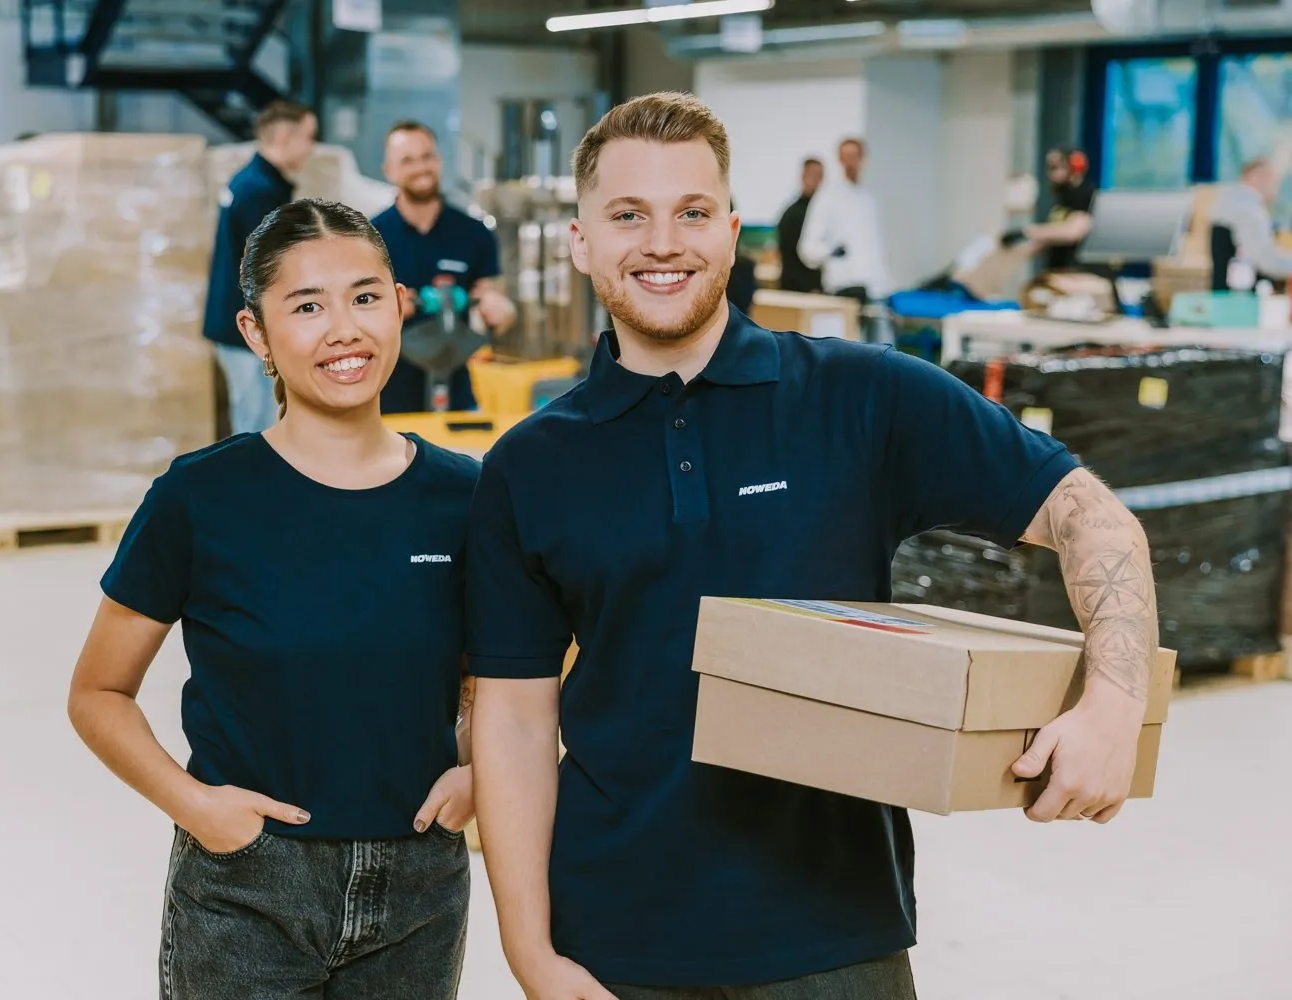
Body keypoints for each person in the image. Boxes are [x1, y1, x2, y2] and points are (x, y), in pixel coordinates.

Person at [466, 92, 1158, 1000]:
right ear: (581, 240)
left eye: (693, 212)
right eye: (628, 214)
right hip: (616, 939)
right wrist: (534, 958)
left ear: (733, 230)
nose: (663, 243)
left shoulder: (862, 398)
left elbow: (1090, 515)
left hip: (837, 935)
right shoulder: (529, 464)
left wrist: (1114, 701)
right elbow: (515, 719)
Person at [69, 199, 477, 999]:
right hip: (248, 886)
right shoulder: (201, 497)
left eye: (364, 297)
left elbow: (516, 668)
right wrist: (197, 807)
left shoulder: (465, 495)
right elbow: (97, 693)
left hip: (421, 884)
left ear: (401, 305)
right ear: (255, 332)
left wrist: (480, 770)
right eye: (306, 306)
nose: (344, 330)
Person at [372, 120, 516, 414]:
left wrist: (500, 311)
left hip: (458, 393)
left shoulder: (473, 233)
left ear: (439, 161)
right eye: (407, 160)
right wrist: (391, 307)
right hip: (385, 396)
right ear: (389, 170)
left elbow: (496, 309)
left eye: (427, 157)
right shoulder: (368, 237)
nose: (420, 167)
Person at [203, 100, 318, 435]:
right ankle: (249, 487)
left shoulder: (251, 181)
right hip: (246, 331)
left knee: (256, 418)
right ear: (284, 137)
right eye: (308, 137)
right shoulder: (260, 193)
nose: (310, 148)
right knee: (257, 424)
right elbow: (271, 270)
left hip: (235, 325)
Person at [797, 137, 890, 305]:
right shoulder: (827, 197)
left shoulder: (868, 199)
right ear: (839, 159)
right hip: (844, 290)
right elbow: (807, 249)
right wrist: (832, 252)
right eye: (845, 156)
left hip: (875, 290)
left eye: (854, 156)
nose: (850, 162)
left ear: (863, 159)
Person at [1210, 157, 1292, 282]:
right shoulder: (1250, 211)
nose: (1276, 190)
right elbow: (1266, 262)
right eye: (1274, 181)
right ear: (1257, 177)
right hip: (1245, 295)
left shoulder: (1228, 203)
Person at [1026, 148, 1096, 272]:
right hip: (1056, 268)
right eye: (1050, 168)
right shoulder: (1061, 197)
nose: (1052, 174)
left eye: (1057, 167)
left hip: (1075, 271)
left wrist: (1032, 232)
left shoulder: (1084, 194)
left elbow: (1073, 232)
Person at [776, 157, 824, 293]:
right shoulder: (793, 213)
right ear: (803, 176)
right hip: (798, 288)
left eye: (820, 176)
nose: (817, 181)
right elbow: (790, 255)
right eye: (813, 175)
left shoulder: (821, 211)